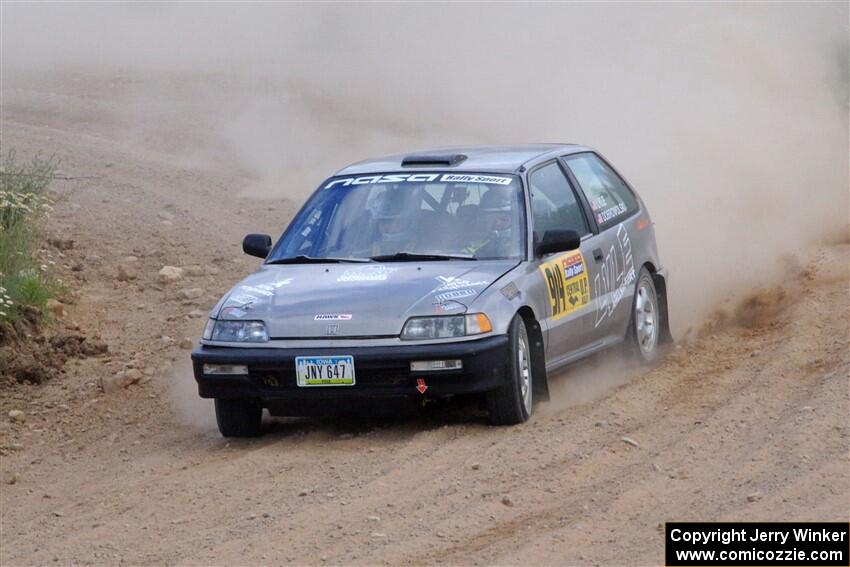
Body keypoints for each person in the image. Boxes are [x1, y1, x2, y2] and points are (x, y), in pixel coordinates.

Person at [464, 186, 517, 258]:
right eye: (492, 218)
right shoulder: (472, 238)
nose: (498, 223)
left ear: (513, 218)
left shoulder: (525, 238)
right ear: (482, 217)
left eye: (504, 219)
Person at [369, 187, 416, 255]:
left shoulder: (429, 249)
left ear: (407, 221)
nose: (386, 227)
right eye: (382, 221)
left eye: (392, 221)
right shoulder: (359, 251)